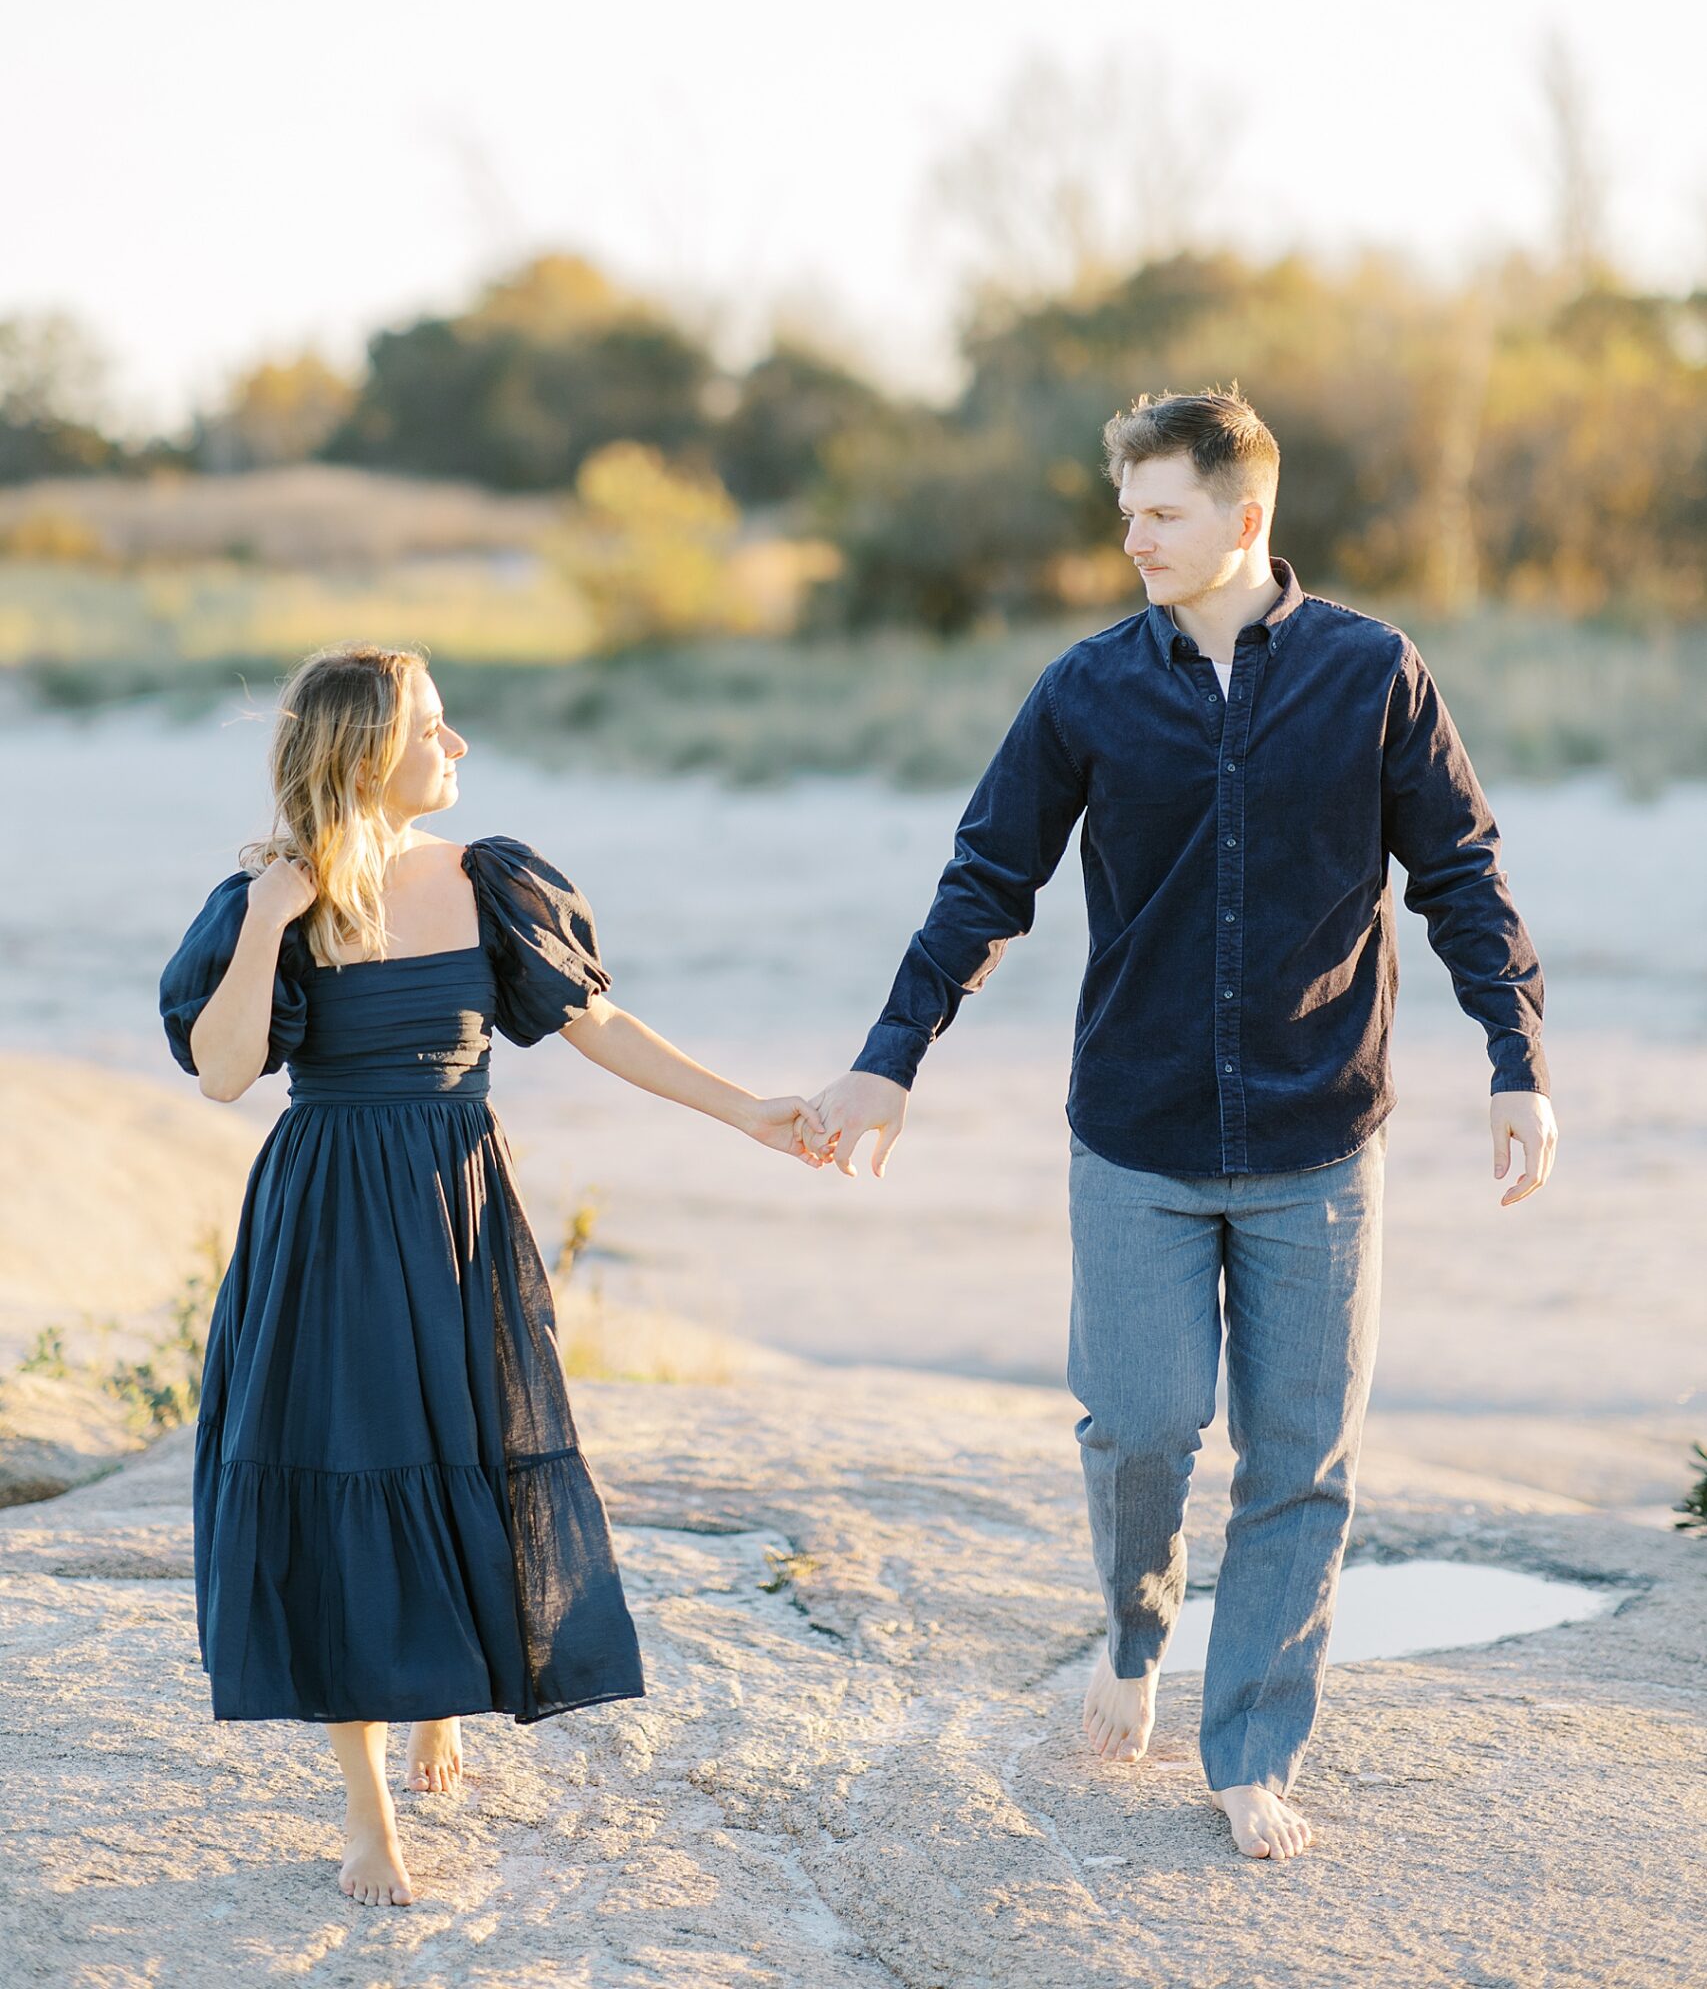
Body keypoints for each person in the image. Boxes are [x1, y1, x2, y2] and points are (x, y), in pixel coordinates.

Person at [808, 387, 1558, 1865]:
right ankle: (1135, 1631)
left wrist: (1514, 1058)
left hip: (1318, 1135)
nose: (1132, 538)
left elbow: (1459, 874)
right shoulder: (1085, 689)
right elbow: (983, 881)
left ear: (1244, 518)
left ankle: (1251, 1744)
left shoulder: (1370, 675)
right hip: (1137, 1137)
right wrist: (890, 1057)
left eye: (1159, 514)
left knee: (1298, 1460)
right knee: (1138, 1427)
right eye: (1125, 513)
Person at [160, 640, 828, 1909]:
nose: (455, 746)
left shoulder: (487, 879)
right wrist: (265, 923)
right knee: (346, 1467)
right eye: (433, 728)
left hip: (462, 1205)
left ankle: (439, 1699)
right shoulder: (264, 897)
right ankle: (369, 1818)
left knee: (465, 1449)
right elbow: (224, 1072)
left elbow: (599, 1023)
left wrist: (747, 1110)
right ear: (366, 753)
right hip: (331, 1213)